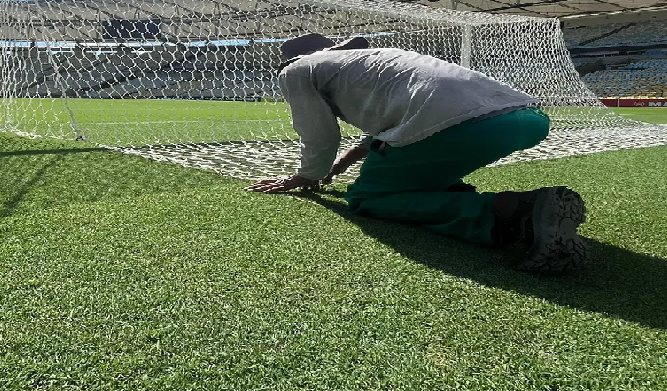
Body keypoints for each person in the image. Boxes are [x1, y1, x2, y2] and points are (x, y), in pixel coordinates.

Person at [246, 33, 588, 273]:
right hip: (524, 119)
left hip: (455, 124)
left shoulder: (296, 70)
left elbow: (319, 133)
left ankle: (516, 212)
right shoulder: (368, 59)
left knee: (368, 197)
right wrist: (343, 163)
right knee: (405, 161)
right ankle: (454, 194)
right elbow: (390, 122)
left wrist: (307, 175)